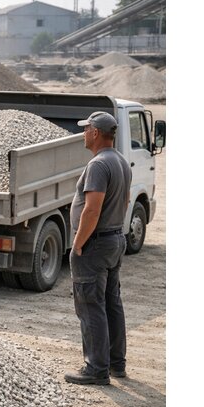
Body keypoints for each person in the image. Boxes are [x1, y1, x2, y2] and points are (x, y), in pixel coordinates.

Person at [65, 111, 132, 385]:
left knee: (91, 305)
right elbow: (125, 202)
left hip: (95, 244)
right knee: (111, 303)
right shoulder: (121, 162)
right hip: (114, 239)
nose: (83, 133)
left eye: (85, 129)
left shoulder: (98, 165)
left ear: (94, 132)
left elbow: (91, 210)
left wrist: (78, 243)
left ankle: (96, 368)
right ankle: (116, 364)